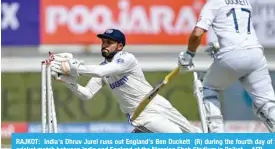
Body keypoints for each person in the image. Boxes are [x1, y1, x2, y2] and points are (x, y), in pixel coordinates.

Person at [177, 0, 275, 133]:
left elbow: (196, 34)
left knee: (207, 87)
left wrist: (188, 56)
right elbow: (237, 29)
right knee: (267, 101)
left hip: (231, 56)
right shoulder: (245, 0)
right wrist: (219, 45)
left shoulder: (214, 2)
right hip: (255, 54)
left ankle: (216, 134)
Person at [49, 28, 201, 133]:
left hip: (157, 102)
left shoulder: (127, 59)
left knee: (193, 133)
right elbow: (87, 94)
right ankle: (145, 133)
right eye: (103, 42)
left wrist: (72, 67)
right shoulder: (103, 69)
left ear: (120, 46)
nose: (104, 45)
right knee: (177, 138)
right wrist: (69, 82)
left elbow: (100, 71)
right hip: (143, 116)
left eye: (109, 43)